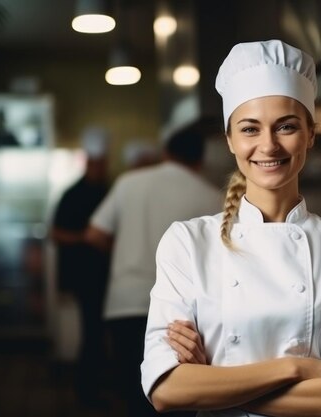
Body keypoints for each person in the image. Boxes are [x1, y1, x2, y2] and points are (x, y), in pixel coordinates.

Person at [141, 39, 321, 417]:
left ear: (310, 134)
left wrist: (213, 382)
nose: (268, 146)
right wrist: (298, 368)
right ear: (230, 140)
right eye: (250, 129)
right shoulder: (187, 243)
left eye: (286, 126)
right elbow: (165, 389)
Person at [85, 129, 223, 417]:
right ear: (199, 162)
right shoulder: (212, 196)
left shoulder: (129, 183)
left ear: (165, 153)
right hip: (182, 314)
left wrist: (126, 249)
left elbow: (94, 234)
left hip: (125, 302)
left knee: (133, 394)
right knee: (176, 398)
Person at [50, 126, 111, 407]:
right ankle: (87, 392)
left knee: (99, 334)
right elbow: (56, 233)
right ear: (88, 162)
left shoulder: (109, 190)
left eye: (103, 164)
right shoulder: (72, 194)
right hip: (85, 277)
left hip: (109, 276)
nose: (100, 168)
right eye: (96, 164)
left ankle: (97, 387)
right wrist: (85, 237)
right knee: (92, 334)